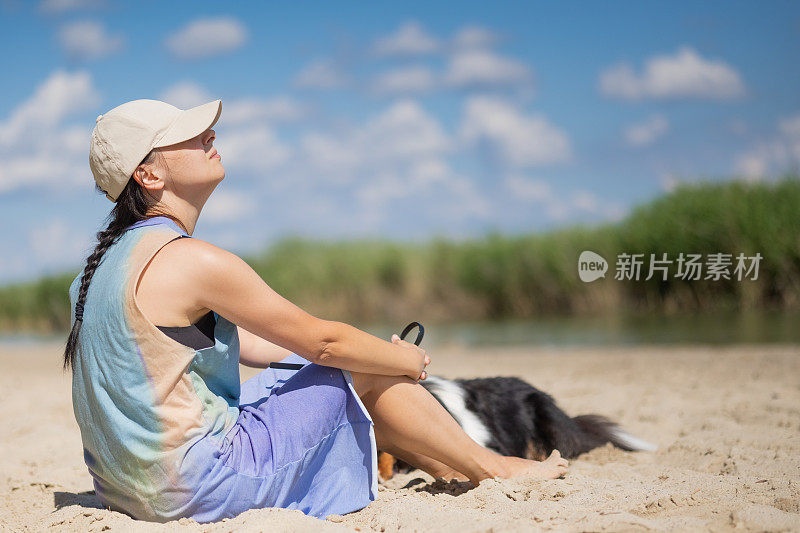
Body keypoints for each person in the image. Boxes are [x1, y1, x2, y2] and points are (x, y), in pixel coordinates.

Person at [63, 98, 568, 523]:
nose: (209, 133)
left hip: (129, 493)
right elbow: (325, 341)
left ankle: (451, 467)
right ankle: (492, 468)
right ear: (148, 174)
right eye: (190, 135)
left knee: (348, 364)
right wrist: (404, 362)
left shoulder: (101, 271)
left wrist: (364, 356)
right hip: (198, 489)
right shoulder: (189, 260)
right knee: (350, 363)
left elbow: (259, 346)